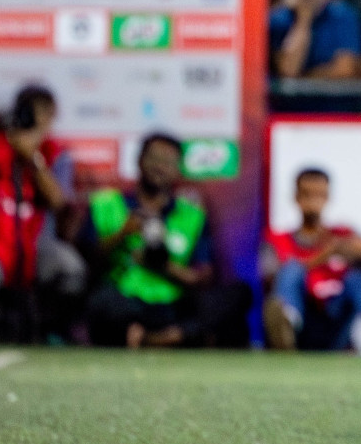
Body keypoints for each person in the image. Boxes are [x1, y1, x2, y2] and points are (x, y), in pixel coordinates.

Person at [81, 133, 250, 348]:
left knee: (237, 295)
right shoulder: (107, 203)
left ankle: (163, 337)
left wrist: (163, 266)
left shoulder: (191, 214)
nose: (159, 167)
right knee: (101, 301)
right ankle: (164, 336)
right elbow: (88, 261)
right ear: (139, 160)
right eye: (154, 158)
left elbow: (204, 277)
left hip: (173, 304)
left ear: (178, 169)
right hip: (126, 300)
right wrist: (123, 233)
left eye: (168, 162)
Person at [0, 86, 86, 343]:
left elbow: (58, 202)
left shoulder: (54, 154)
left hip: (37, 248)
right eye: (27, 114)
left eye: (41, 116)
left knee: (70, 269)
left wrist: (33, 159)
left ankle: (49, 331)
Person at [262, 168, 361, 355]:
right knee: (291, 270)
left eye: (319, 195)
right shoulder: (277, 240)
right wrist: (325, 255)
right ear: (296, 197)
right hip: (302, 324)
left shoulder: (342, 235)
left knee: (357, 277)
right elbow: (270, 281)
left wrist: (352, 249)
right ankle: (286, 325)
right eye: (307, 194)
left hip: (336, 321)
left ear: (328, 197)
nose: (313, 201)